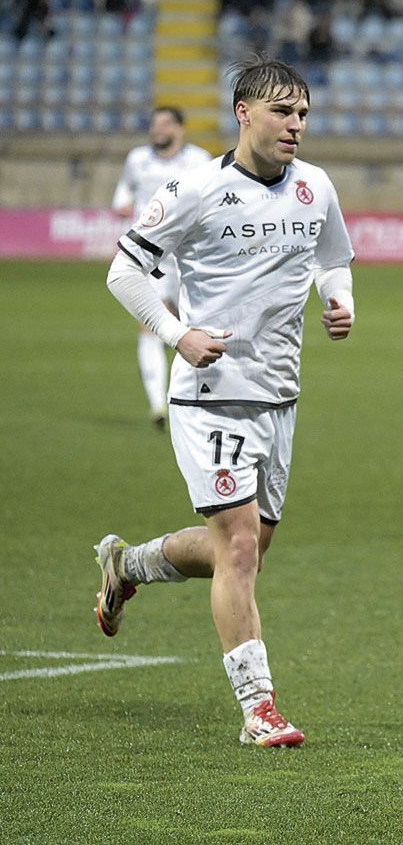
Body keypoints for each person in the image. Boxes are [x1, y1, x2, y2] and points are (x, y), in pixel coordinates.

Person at [97, 55, 356, 748]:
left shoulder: (316, 188)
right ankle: (259, 708)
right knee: (239, 545)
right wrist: (178, 334)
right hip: (210, 396)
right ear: (244, 113)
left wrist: (339, 298)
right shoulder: (194, 190)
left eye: (303, 112)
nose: (296, 124)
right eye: (282, 110)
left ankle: (129, 566)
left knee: (242, 551)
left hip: (279, 395)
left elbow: (333, 257)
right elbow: (124, 272)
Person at [112, 107, 213, 428]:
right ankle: (158, 403)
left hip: (190, 256)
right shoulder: (137, 159)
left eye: (165, 124)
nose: (158, 130)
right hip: (152, 256)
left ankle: (196, 398)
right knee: (151, 325)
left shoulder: (200, 160)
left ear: (181, 129)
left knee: (192, 325)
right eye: (154, 124)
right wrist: (121, 202)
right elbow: (125, 188)